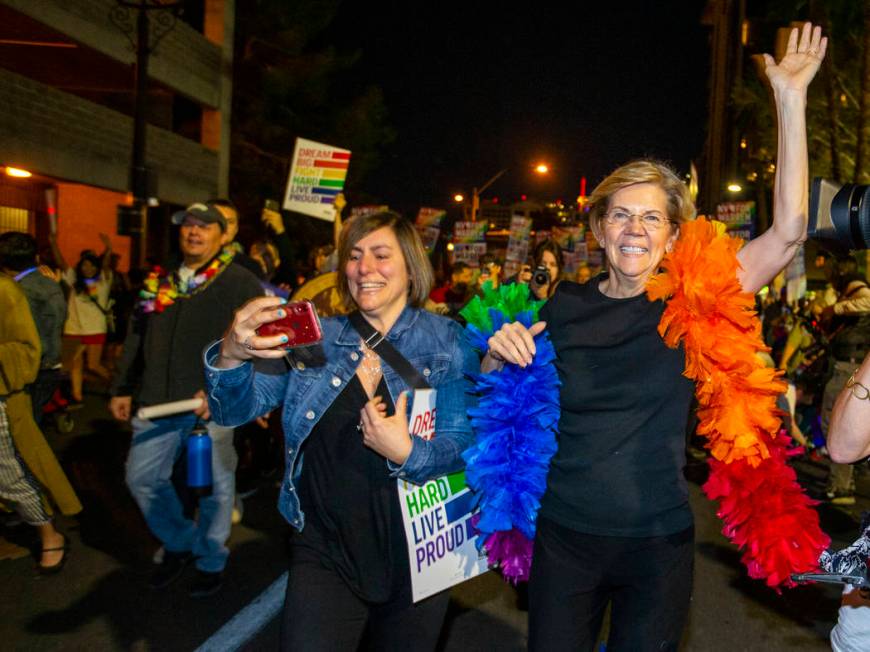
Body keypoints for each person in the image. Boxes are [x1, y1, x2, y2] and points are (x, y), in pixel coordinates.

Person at [483, 24, 826, 651]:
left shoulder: (695, 299)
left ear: (673, 235)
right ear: (599, 229)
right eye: (620, 214)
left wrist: (790, 98)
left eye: (651, 218)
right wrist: (495, 349)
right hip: (566, 539)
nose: (634, 229)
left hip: (658, 543)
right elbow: (503, 385)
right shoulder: (562, 307)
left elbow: (787, 233)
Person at [204, 211, 478, 650]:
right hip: (325, 548)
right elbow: (233, 409)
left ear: (410, 265)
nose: (364, 268)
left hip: (417, 557)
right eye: (354, 256)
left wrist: (409, 452)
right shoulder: (314, 338)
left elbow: (462, 443)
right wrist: (232, 354)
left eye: (380, 254)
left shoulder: (446, 340)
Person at [109, 202, 263, 598]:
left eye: (204, 226)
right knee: (140, 478)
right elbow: (137, 333)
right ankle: (180, 542)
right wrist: (122, 387)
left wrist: (222, 390)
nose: (193, 232)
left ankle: (211, 558)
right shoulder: (158, 280)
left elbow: (258, 343)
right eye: (187, 225)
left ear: (223, 234)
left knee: (213, 486)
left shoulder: (241, 282)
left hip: (207, 408)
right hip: (156, 403)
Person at [0, 274, 82, 573]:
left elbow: (27, 350)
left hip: (2, 396)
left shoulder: (5, 290)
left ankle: (48, 533)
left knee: (10, 475)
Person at [0, 232, 67, 423]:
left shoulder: (15, 290)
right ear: (35, 257)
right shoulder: (51, 282)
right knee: (31, 422)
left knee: (21, 427)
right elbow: (62, 318)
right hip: (51, 365)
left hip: (29, 367)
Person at [50, 232, 113, 404]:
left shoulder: (103, 281)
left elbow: (106, 265)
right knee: (70, 363)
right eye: (85, 265)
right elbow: (61, 263)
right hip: (73, 327)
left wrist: (108, 249)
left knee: (93, 365)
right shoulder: (74, 280)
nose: (88, 268)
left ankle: (115, 385)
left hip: (95, 328)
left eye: (92, 265)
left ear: (97, 267)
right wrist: (53, 243)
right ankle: (77, 395)